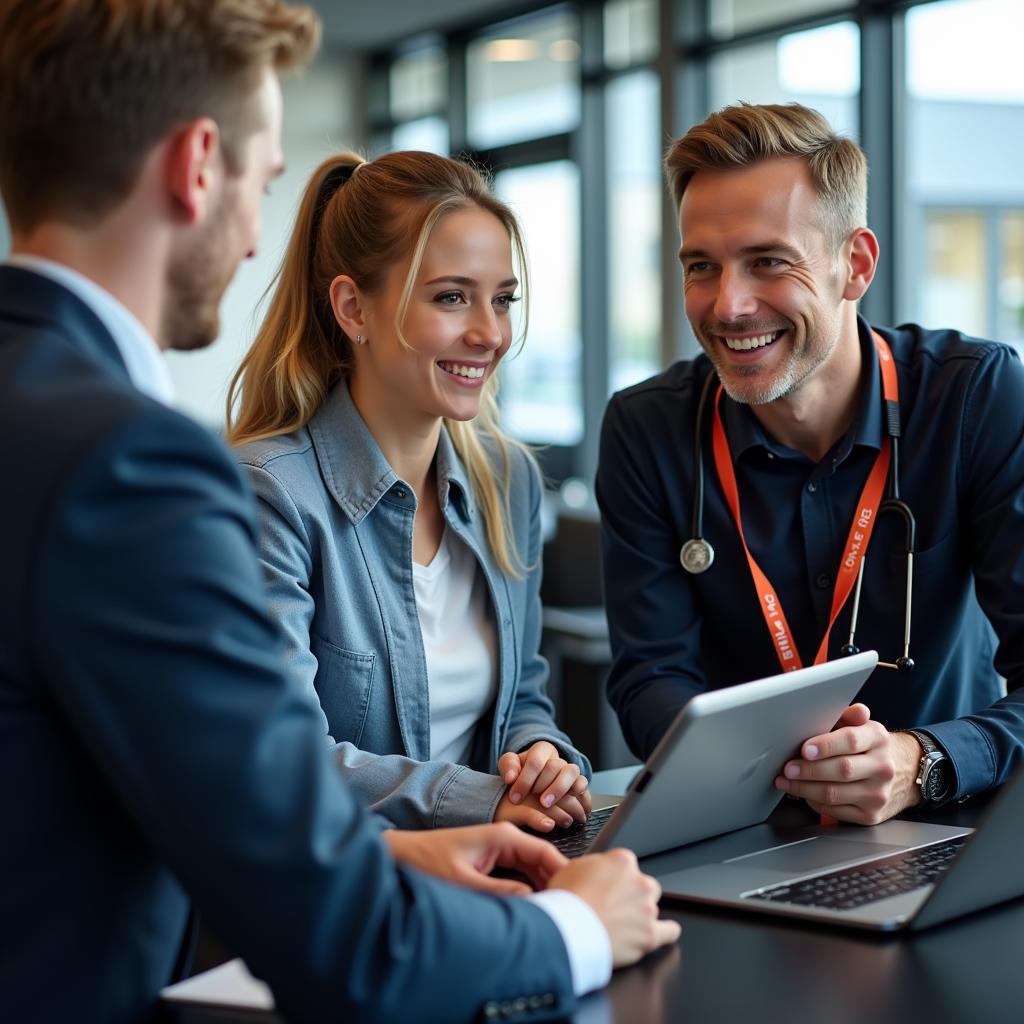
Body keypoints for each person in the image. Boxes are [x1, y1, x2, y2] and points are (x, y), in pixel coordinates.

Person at [0, 2, 679, 1022]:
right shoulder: (134, 463)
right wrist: (575, 924)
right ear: (197, 165)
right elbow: (332, 928)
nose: (250, 243)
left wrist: (418, 838)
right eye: (264, 183)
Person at [597, 101, 1024, 828]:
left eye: (768, 261)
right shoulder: (649, 427)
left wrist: (925, 761)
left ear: (854, 265)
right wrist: (778, 771)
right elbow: (650, 678)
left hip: (943, 824)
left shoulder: (974, 396)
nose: (728, 306)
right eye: (702, 266)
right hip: (742, 833)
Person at [226, 150, 592, 834]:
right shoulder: (270, 495)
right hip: (359, 893)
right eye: (452, 297)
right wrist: (483, 800)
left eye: (503, 299)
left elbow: (523, 699)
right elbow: (283, 757)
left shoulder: (507, 483)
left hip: (497, 862)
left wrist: (539, 757)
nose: (490, 333)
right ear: (352, 307)